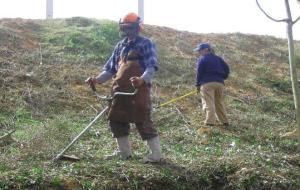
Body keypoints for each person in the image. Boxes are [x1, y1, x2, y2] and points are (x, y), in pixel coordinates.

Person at [86, 12, 162, 163]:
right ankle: (124, 153)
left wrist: (142, 79)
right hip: (119, 90)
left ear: (137, 27)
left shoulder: (145, 43)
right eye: (125, 28)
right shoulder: (120, 46)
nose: (128, 31)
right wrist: (97, 80)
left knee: (143, 120)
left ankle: (156, 155)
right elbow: (110, 69)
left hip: (138, 89)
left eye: (130, 27)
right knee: (116, 119)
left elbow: (151, 66)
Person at [193, 43, 230, 127]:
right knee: (219, 102)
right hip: (220, 83)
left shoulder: (202, 59)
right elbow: (227, 69)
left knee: (208, 102)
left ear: (206, 50)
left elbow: (199, 73)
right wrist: (222, 77)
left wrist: (197, 85)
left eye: (200, 50)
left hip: (207, 83)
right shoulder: (218, 59)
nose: (199, 52)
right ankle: (225, 121)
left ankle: (209, 122)